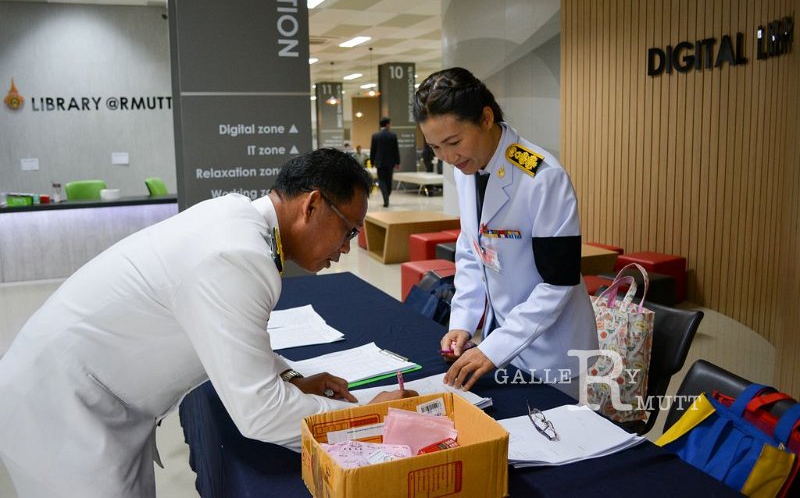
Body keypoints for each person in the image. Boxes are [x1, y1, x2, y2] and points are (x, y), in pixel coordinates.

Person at [0, 148, 416, 498]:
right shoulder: (238, 255)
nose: (345, 250)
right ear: (312, 205)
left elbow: (232, 340)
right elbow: (261, 414)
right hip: (60, 411)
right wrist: (368, 418)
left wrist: (290, 377)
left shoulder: (236, 218)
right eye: (348, 231)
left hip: (92, 398)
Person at [413, 67, 598, 399]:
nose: (448, 157)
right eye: (435, 147)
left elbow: (559, 283)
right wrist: (462, 322)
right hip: (500, 340)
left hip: (552, 351)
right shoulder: (466, 169)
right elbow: (472, 251)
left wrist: (495, 347)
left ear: (486, 119)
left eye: (454, 142)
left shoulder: (542, 176)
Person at [370, 116, 400, 207]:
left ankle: (385, 197)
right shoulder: (393, 136)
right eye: (390, 124)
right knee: (388, 181)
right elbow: (396, 150)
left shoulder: (375, 136)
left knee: (381, 180)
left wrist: (372, 161)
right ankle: (387, 196)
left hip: (379, 163)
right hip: (390, 163)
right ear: (387, 124)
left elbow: (373, 150)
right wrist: (397, 162)